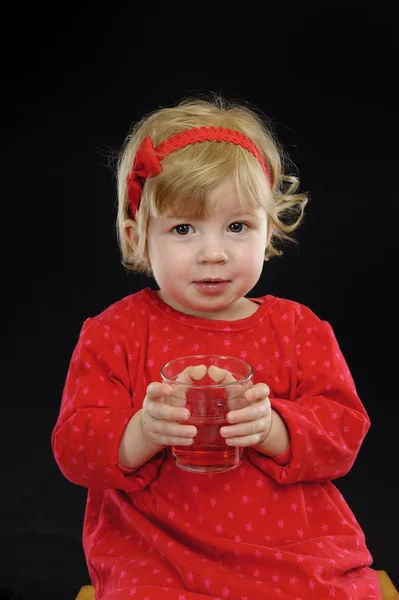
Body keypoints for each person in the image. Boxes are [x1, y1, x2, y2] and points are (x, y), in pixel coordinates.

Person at [51, 94, 381, 599]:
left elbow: (344, 435)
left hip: (291, 548)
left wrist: (273, 426)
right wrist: (142, 429)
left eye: (237, 227)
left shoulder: (300, 329)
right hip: (159, 552)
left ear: (268, 229)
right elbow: (74, 449)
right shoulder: (114, 332)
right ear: (137, 237)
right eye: (183, 228)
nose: (213, 253)